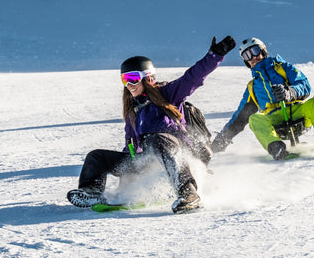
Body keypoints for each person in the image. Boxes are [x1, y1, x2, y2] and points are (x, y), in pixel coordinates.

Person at [67, 36, 236, 214]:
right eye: (125, 79)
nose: (129, 85)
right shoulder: (133, 110)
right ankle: (91, 192)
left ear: (148, 78)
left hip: (176, 151)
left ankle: (189, 194)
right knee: (97, 156)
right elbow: (131, 146)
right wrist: (127, 180)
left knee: (157, 140)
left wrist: (214, 55)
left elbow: (192, 77)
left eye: (133, 78)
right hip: (148, 158)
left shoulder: (168, 93)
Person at [211, 37, 314, 160]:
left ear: (263, 50)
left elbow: (304, 85)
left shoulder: (283, 68)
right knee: (254, 118)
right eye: (247, 56)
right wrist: (222, 139)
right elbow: (239, 117)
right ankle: (277, 148)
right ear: (246, 62)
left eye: (255, 51)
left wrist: (289, 92)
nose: (253, 57)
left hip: (298, 113)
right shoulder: (253, 87)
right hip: (275, 121)